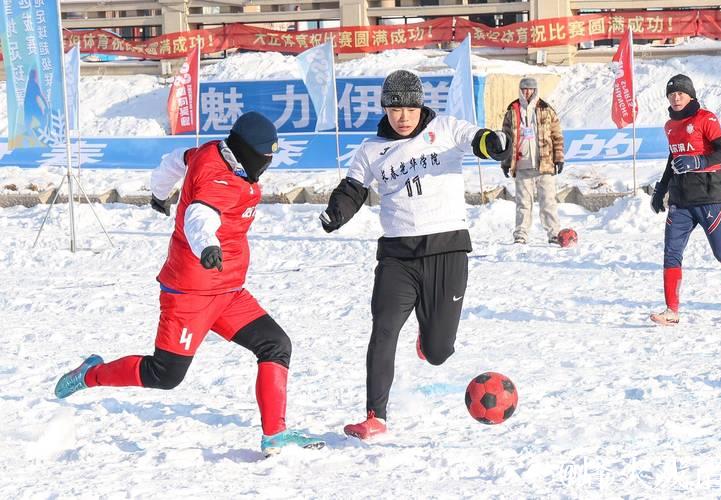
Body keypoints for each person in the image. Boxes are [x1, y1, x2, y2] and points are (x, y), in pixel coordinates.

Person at [54, 111, 324, 457]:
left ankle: (275, 435)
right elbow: (200, 216)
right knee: (165, 374)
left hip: (228, 291)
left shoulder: (209, 152)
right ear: (247, 153)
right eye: (264, 158)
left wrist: (159, 192)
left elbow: (172, 161)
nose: (267, 165)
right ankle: (91, 373)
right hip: (190, 293)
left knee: (275, 344)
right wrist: (206, 246)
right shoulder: (218, 181)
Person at [319, 69, 511, 439]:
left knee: (439, 351)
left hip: (447, 249)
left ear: (420, 104)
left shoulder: (446, 128)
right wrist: (337, 213)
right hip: (397, 256)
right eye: (394, 109)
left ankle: (428, 339)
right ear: (385, 109)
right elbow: (353, 188)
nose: (402, 116)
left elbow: (479, 139)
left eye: (409, 107)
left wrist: (495, 143)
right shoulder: (371, 150)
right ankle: (376, 415)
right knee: (384, 330)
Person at [649, 74, 721, 325]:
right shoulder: (669, 126)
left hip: (709, 196)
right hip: (680, 199)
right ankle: (672, 311)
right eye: (671, 94)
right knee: (671, 254)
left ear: (691, 95)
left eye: (680, 93)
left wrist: (698, 161)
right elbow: (672, 159)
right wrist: (661, 190)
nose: (676, 97)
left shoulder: (705, 118)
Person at [500, 77, 565, 245]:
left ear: (535, 90)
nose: (527, 92)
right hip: (522, 164)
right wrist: (506, 162)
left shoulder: (546, 109)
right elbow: (506, 139)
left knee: (548, 201)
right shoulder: (512, 110)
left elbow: (556, 135)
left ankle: (554, 233)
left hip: (544, 163)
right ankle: (521, 234)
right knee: (522, 202)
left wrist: (558, 158)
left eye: (530, 89)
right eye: (524, 89)